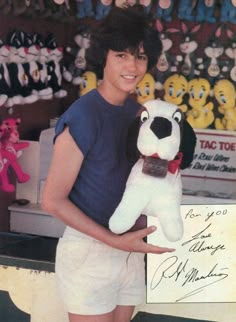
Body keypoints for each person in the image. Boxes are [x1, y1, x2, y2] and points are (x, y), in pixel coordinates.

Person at [42, 5, 175, 322]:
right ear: (104, 57)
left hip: (130, 250)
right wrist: (114, 240)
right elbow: (52, 200)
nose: (133, 66)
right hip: (91, 251)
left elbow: (137, 184)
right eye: (122, 55)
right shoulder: (84, 115)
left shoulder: (140, 114)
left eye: (140, 57)